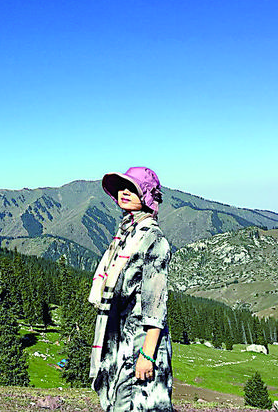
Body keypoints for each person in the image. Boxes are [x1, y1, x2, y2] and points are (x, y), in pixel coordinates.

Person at [88, 167, 172, 412]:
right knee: (120, 400)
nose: (124, 192)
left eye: (132, 188)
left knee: (136, 402)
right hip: (121, 333)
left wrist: (147, 354)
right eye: (121, 188)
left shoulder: (153, 239)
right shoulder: (127, 233)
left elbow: (156, 302)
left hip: (140, 339)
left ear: (146, 195)